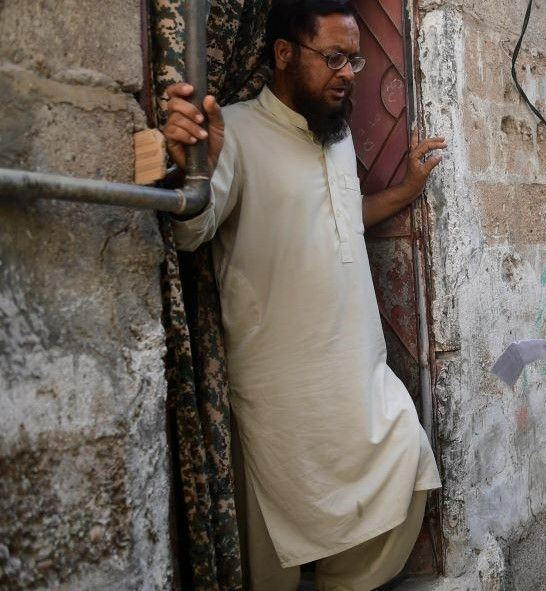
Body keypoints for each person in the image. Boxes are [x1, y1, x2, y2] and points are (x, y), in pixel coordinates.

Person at [161, 1, 446, 589]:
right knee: (272, 559)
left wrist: (406, 190)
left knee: (407, 456)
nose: (347, 73)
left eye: (355, 60)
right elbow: (192, 231)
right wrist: (200, 164)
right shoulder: (234, 130)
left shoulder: (335, 135)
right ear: (285, 54)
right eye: (334, 57)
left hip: (356, 371)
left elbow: (344, 213)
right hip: (277, 389)